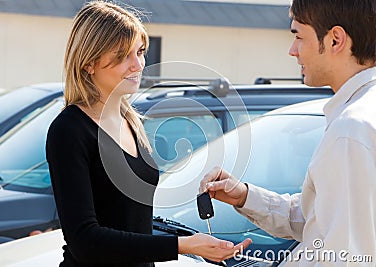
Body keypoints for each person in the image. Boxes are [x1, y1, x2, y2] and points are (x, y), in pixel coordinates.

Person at [46, 1, 251, 266]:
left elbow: (133, 224)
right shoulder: (69, 130)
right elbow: (85, 241)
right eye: (122, 56)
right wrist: (182, 246)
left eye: (140, 52)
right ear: (88, 64)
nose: (138, 64)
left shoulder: (131, 121)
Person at [200, 0, 376, 265]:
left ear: (335, 40)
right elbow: (318, 219)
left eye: (299, 36)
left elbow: (348, 257)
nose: (292, 51)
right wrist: (246, 197)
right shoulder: (359, 116)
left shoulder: (350, 130)